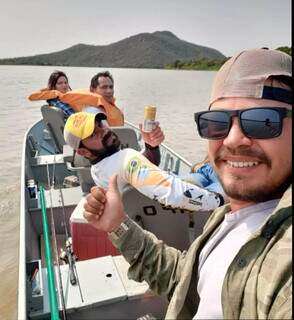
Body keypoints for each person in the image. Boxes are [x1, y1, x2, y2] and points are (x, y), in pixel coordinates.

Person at [83, 48, 292, 319]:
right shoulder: (228, 217)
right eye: (217, 123)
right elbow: (188, 283)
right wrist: (117, 225)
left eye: (264, 121)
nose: (233, 139)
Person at [64, 111, 224, 212]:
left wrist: (151, 147)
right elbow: (176, 195)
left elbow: (139, 170)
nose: (104, 131)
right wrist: (220, 199)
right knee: (215, 167)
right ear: (83, 151)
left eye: (100, 125)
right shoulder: (126, 158)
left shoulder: (98, 169)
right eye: (93, 135)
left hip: (153, 211)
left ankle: (205, 169)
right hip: (203, 195)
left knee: (203, 171)